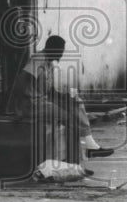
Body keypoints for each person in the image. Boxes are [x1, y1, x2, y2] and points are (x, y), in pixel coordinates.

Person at [6, 36, 112, 180]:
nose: (61, 54)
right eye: (60, 51)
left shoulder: (49, 63)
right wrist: (16, 108)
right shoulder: (38, 59)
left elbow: (48, 91)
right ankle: (76, 164)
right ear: (52, 49)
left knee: (75, 103)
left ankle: (90, 144)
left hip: (43, 101)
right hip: (30, 105)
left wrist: (65, 97)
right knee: (69, 118)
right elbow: (21, 81)